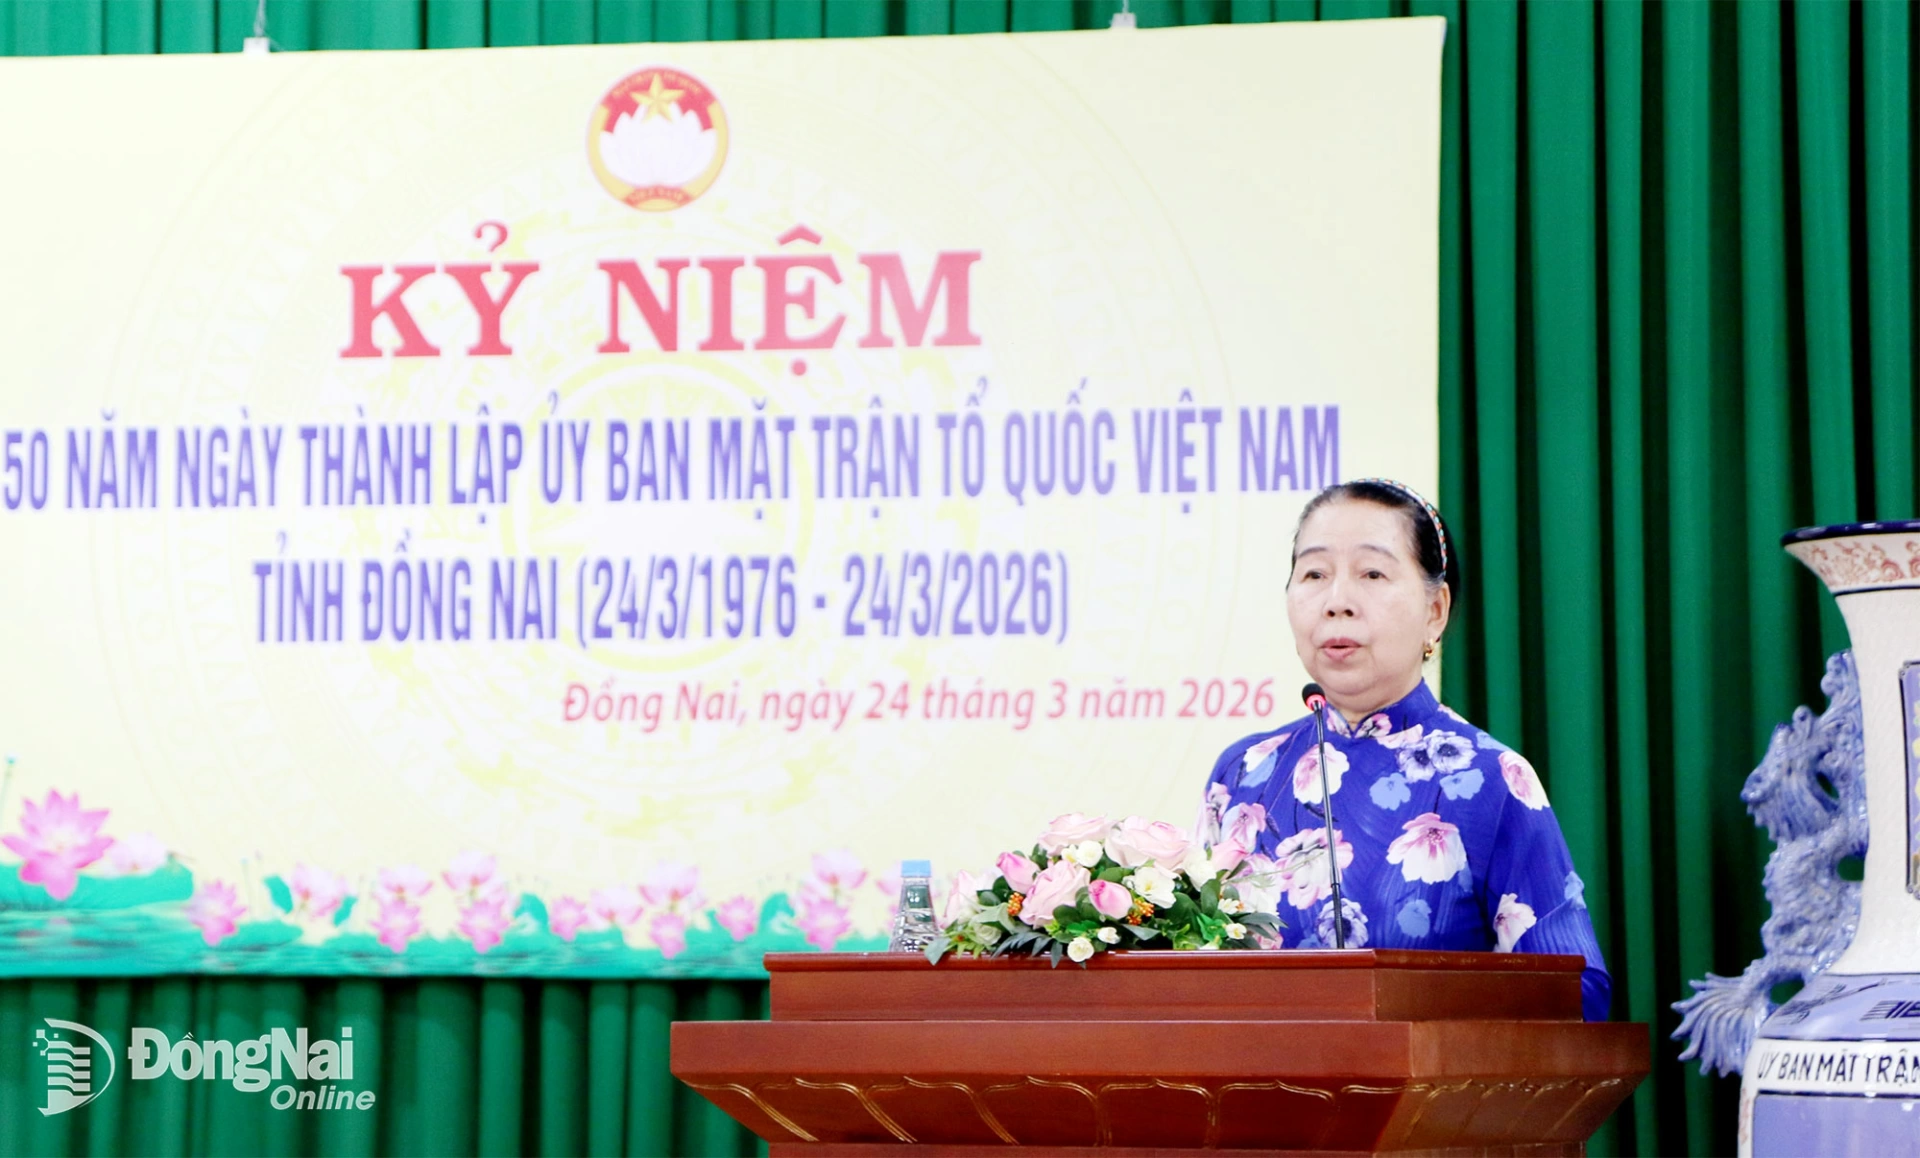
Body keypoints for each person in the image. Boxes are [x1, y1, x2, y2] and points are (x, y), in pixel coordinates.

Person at [1201, 478, 1611, 1022]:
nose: (1337, 602)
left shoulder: (1490, 777)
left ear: (1435, 611)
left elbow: (1574, 994)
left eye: (1372, 574)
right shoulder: (1244, 773)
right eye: (1314, 574)